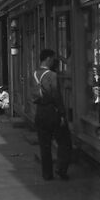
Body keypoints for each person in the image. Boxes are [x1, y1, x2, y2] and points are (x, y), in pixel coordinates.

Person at [33, 49, 72, 181]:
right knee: (65, 142)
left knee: (45, 145)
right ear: (48, 59)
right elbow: (56, 95)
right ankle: (61, 169)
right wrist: (62, 113)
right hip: (53, 112)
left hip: (40, 112)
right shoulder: (52, 75)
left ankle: (47, 174)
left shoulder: (34, 74)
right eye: (53, 59)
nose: (53, 61)